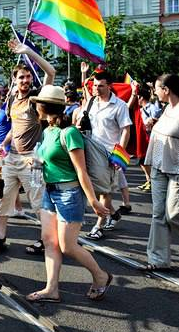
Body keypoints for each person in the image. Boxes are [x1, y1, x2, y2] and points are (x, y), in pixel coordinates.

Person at [25, 85, 112, 302]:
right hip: (50, 192)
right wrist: (37, 162)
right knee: (49, 240)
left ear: (44, 106)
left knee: (68, 246)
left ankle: (101, 276)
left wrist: (93, 200)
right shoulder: (47, 131)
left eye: (37, 103)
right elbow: (51, 160)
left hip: (69, 194)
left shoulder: (70, 133)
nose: (35, 106)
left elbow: (81, 170)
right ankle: (51, 289)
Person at [0, 40, 55, 255]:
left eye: (28, 76)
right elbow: (15, 128)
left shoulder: (35, 98)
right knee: (4, 199)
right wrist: (4, 143)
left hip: (34, 159)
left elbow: (51, 72)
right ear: (14, 80)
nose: (26, 80)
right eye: (21, 77)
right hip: (11, 158)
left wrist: (28, 51)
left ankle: (45, 239)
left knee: (38, 201)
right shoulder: (12, 98)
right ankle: (1, 238)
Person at [81, 70, 132, 239]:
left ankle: (98, 226)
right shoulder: (91, 102)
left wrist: (119, 154)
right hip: (89, 150)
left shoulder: (120, 105)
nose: (97, 89)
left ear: (109, 86)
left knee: (104, 191)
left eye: (101, 86)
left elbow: (126, 130)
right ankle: (114, 215)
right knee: (90, 189)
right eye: (95, 86)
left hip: (108, 154)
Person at [142, 73, 179, 271]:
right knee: (158, 215)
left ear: (166, 90)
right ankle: (158, 260)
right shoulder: (166, 110)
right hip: (158, 167)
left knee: (173, 213)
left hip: (176, 170)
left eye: (156, 88)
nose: (154, 92)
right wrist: (152, 125)